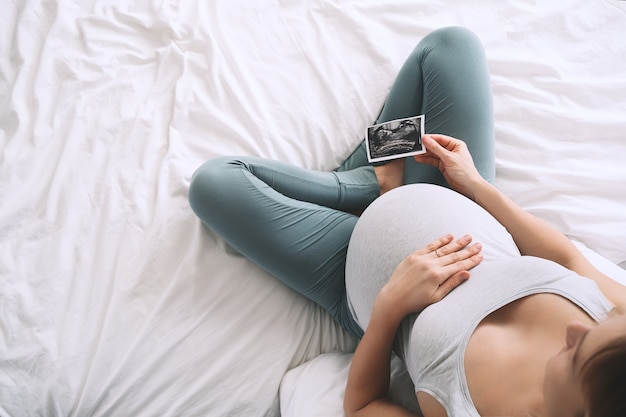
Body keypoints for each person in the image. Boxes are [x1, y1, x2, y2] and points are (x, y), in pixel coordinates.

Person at [187, 27, 626, 417]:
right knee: (450, 45)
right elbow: (563, 254)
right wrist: (476, 186)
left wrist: (390, 305)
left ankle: (369, 183)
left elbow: (361, 406)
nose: (576, 328)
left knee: (215, 183)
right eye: (594, 329)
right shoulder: (620, 336)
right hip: (460, 199)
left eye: (575, 355)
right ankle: (373, 183)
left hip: (351, 270)